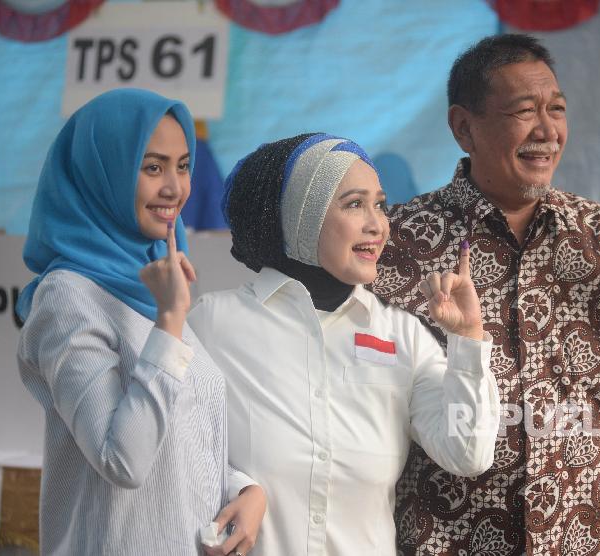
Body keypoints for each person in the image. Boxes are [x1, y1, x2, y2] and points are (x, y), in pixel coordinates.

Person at [372, 34, 600, 554]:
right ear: (464, 128)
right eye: (525, 111)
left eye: (558, 109)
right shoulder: (401, 241)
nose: (547, 130)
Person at [187, 132, 501, 555]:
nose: (378, 224)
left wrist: (467, 341)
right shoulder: (214, 323)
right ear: (302, 215)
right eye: (354, 204)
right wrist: (239, 486)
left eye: (380, 204)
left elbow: (468, 452)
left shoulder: (401, 334)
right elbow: (176, 449)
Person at [15, 88, 263, 556]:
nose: (175, 187)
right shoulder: (67, 297)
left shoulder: (156, 275)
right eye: (152, 167)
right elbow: (122, 459)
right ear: (102, 172)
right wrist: (170, 320)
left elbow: (185, 432)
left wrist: (246, 489)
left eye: (183, 166)